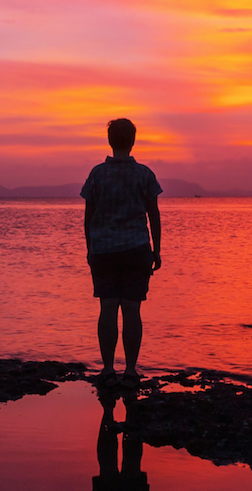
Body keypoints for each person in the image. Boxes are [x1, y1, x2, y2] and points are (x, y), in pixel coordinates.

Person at [81, 118, 163, 378]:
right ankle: (130, 370)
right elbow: (154, 215)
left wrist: (89, 248)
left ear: (109, 141)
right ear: (133, 141)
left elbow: (88, 216)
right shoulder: (144, 174)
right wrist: (157, 250)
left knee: (107, 307)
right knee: (131, 308)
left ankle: (107, 369)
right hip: (137, 248)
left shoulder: (97, 174)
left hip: (103, 249)